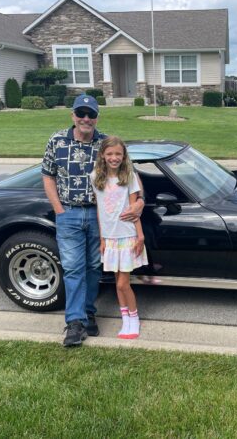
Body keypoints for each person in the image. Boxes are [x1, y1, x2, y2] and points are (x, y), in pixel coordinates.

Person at [42, 94, 144, 347]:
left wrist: (139, 202)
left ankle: (88, 313)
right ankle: (75, 323)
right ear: (73, 115)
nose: (86, 118)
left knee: (93, 267)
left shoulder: (104, 143)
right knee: (73, 268)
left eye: (91, 114)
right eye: (81, 113)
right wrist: (59, 210)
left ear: (97, 117)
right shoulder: (57, 140)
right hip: (69, 212)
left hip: (101, 217)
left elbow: (130, 174)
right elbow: (48, 176)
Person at [90, 136, 148, 339]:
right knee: (117, 282)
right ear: (102, 155)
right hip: (110, 238)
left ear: (124, 156)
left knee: (124, 283)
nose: (114, 157)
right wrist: (102, 238)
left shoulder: (129, 176)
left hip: (127, 236)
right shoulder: (95, 177)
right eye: (109, 154)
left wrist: (140, 236)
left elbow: (134, 210)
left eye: (118, 154)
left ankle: (134, 318)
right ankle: (125, 319)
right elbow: (99, 210)